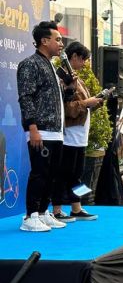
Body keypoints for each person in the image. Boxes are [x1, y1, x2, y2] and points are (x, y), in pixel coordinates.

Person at [17, 21, 69, 232]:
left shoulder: (52, 66)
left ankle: (43, 212)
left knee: (52, 174)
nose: (61, 43)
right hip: (41, 129)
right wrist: (32, 127)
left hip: (56, 131)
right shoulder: (30, 64)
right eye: (57, 39)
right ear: (44, 41)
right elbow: (26, 97)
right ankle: (30, 216)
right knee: (39, 173)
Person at [52, 41, 103, 222]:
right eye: (83, 60)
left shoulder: (77, 79)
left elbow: (82, 107)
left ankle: (77, 207)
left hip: (81, 136)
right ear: (73, 57)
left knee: (77, 174)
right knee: (62, 174)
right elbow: (67, 108)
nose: (84, 64)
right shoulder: (62, 78)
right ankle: (57, 209)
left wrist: (96, 102)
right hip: (68, 136)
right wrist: (87, 103)